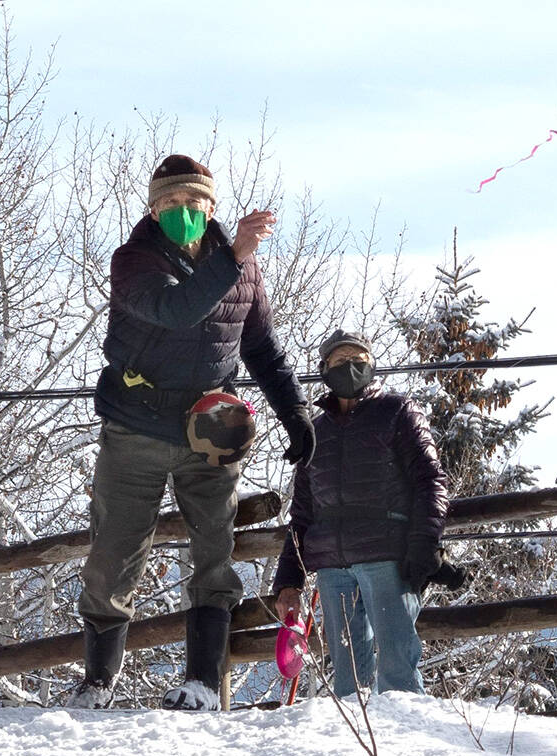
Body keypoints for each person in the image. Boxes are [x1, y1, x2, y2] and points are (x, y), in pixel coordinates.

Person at [70, 154, 315, 711]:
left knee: (215, 552)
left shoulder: (243, 269)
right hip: (135, 428)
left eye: (193, 203)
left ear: (212, 207)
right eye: (171, 204)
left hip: (212, 431)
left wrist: (294, 413)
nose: (183, 212)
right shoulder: (133, 261)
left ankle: (202, 683)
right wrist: (233, 257)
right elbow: (176, 309)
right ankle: (97, 684)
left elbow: (261, 349)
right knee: (115, 552)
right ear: (153, 210)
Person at [272, 330, 449, 696]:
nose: (349, 367)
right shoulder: (314, 431)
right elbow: (302, 514)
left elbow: (430, 481)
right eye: (339, 361)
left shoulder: (398, 411)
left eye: (358, 359)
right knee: (348, 681)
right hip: (332, 567)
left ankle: (404, 747)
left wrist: (425, 543)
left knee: (398, 673)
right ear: (323, 369)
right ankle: (352, 750)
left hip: (387, 556)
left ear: (372, 364)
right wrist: (289, 581)